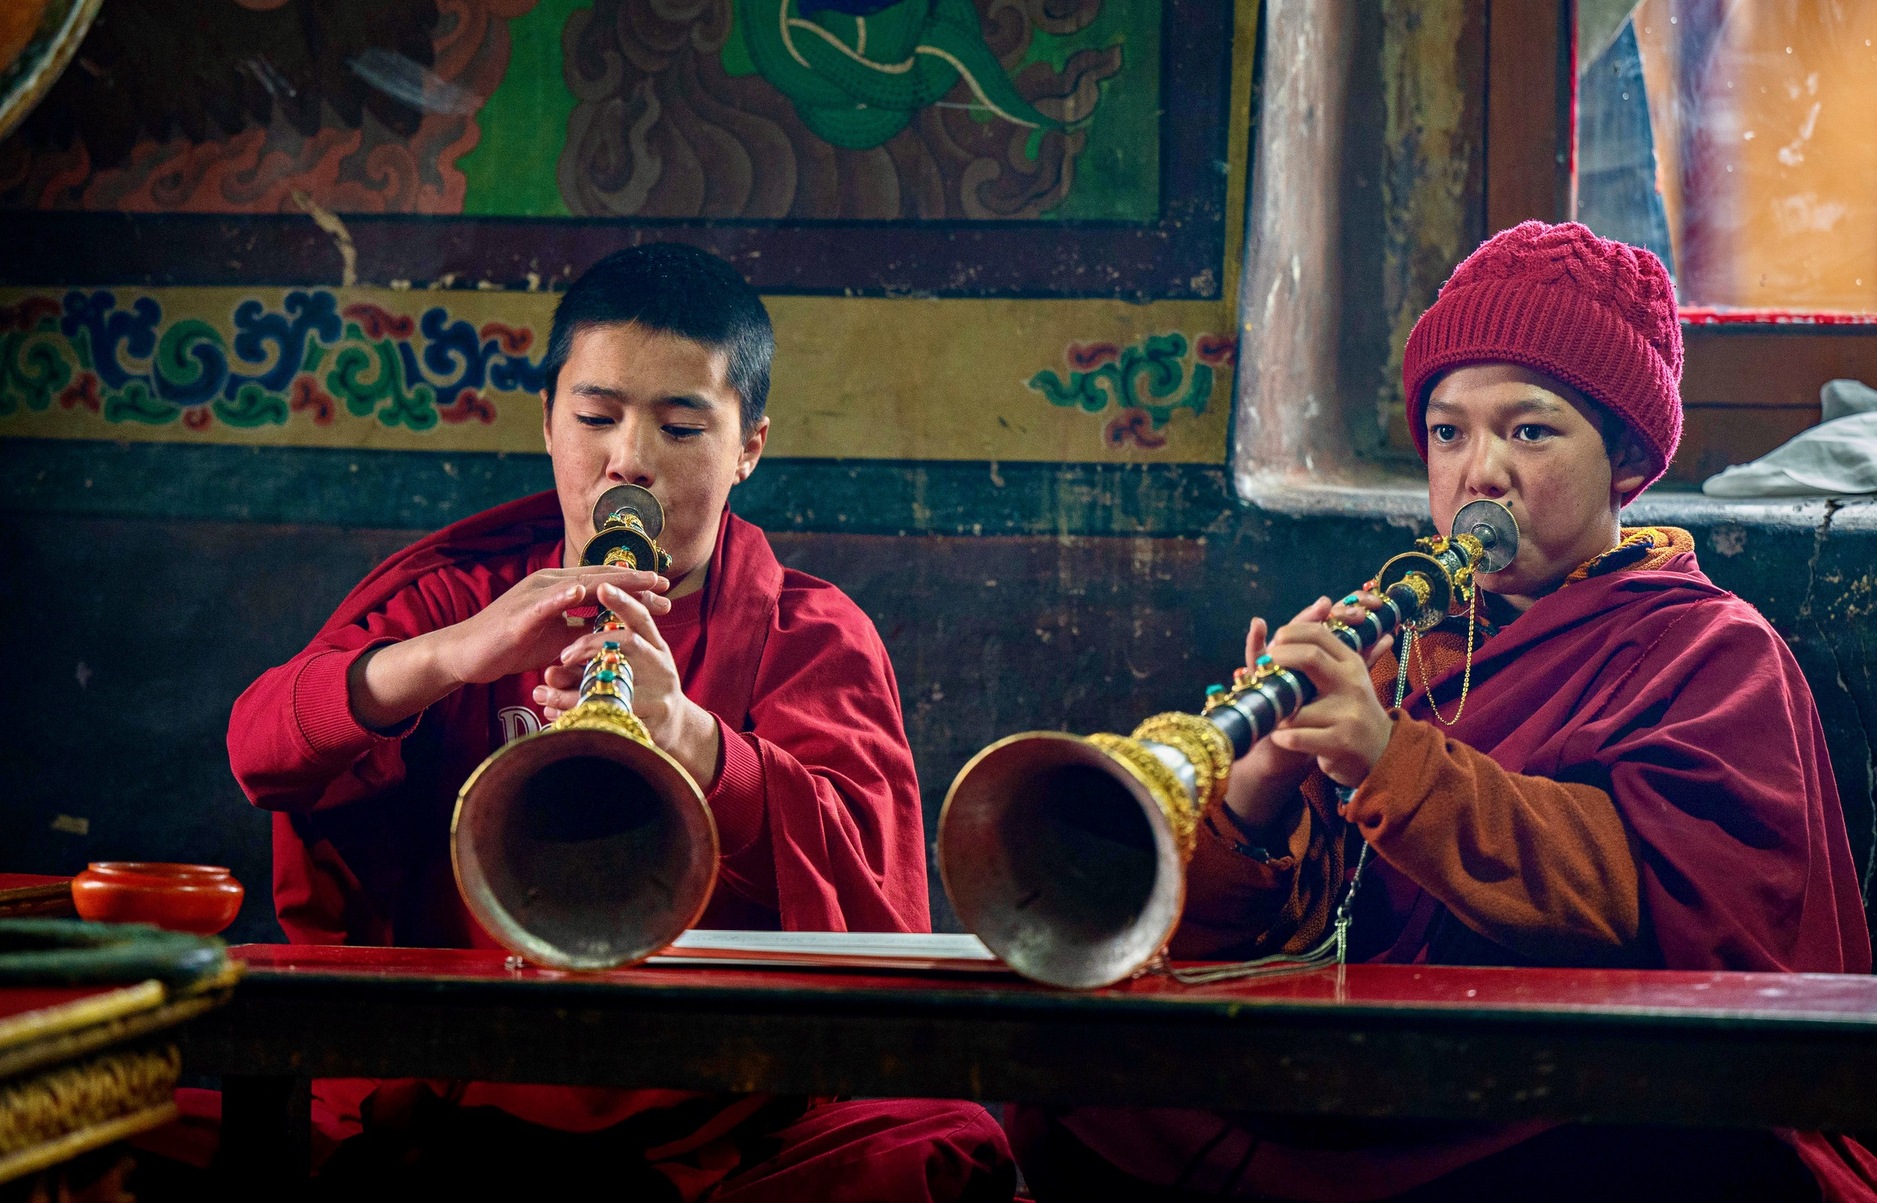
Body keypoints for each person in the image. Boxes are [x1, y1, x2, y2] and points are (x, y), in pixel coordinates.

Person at [1013, 221, 1876, 1201]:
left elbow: (1642, 910)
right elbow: (1267, 948)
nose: (1480, 472)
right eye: (1447, 432)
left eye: (1530, 430)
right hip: (1394, 1070)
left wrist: (1390, 762)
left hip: (1571, 1086)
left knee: (1696, 1165)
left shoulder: (1710, 652)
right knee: (1079, 1108)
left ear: (1626, 464)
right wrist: (1255, 798)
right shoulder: (1400, 650)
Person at [227, 243, 1013, 1201]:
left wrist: (692, 737)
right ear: (549, 422)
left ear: (748, 448)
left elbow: (877, 901)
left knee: (941, 1145)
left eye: (681, 427)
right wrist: (454, 655)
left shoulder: (808, 633)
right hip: (462, 1086)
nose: (627, 460)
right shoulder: (459, 600)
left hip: (719, 1119)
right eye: (595, 417)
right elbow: (260, 749)